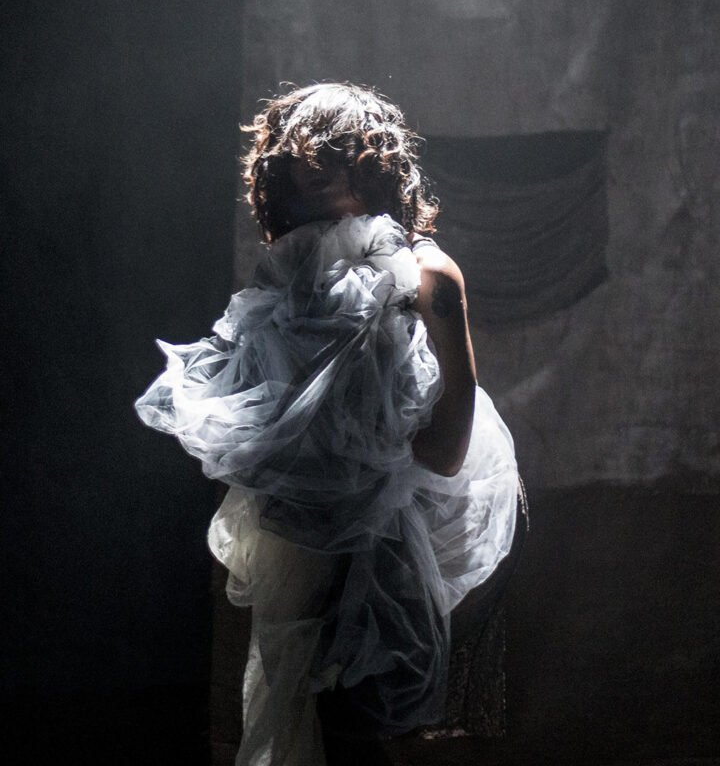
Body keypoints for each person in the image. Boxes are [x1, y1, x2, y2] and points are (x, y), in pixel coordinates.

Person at [135, 81, 519, 765]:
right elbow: (263, 422)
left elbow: (446, 450)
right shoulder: (292, 275)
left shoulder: (426, 273)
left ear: (372, 167)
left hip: (387, 534)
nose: (308, 180)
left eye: (329, 161)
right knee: (305, 710)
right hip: (303, 536)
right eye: (295, 167)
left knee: (355, 716)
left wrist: (361, 467)